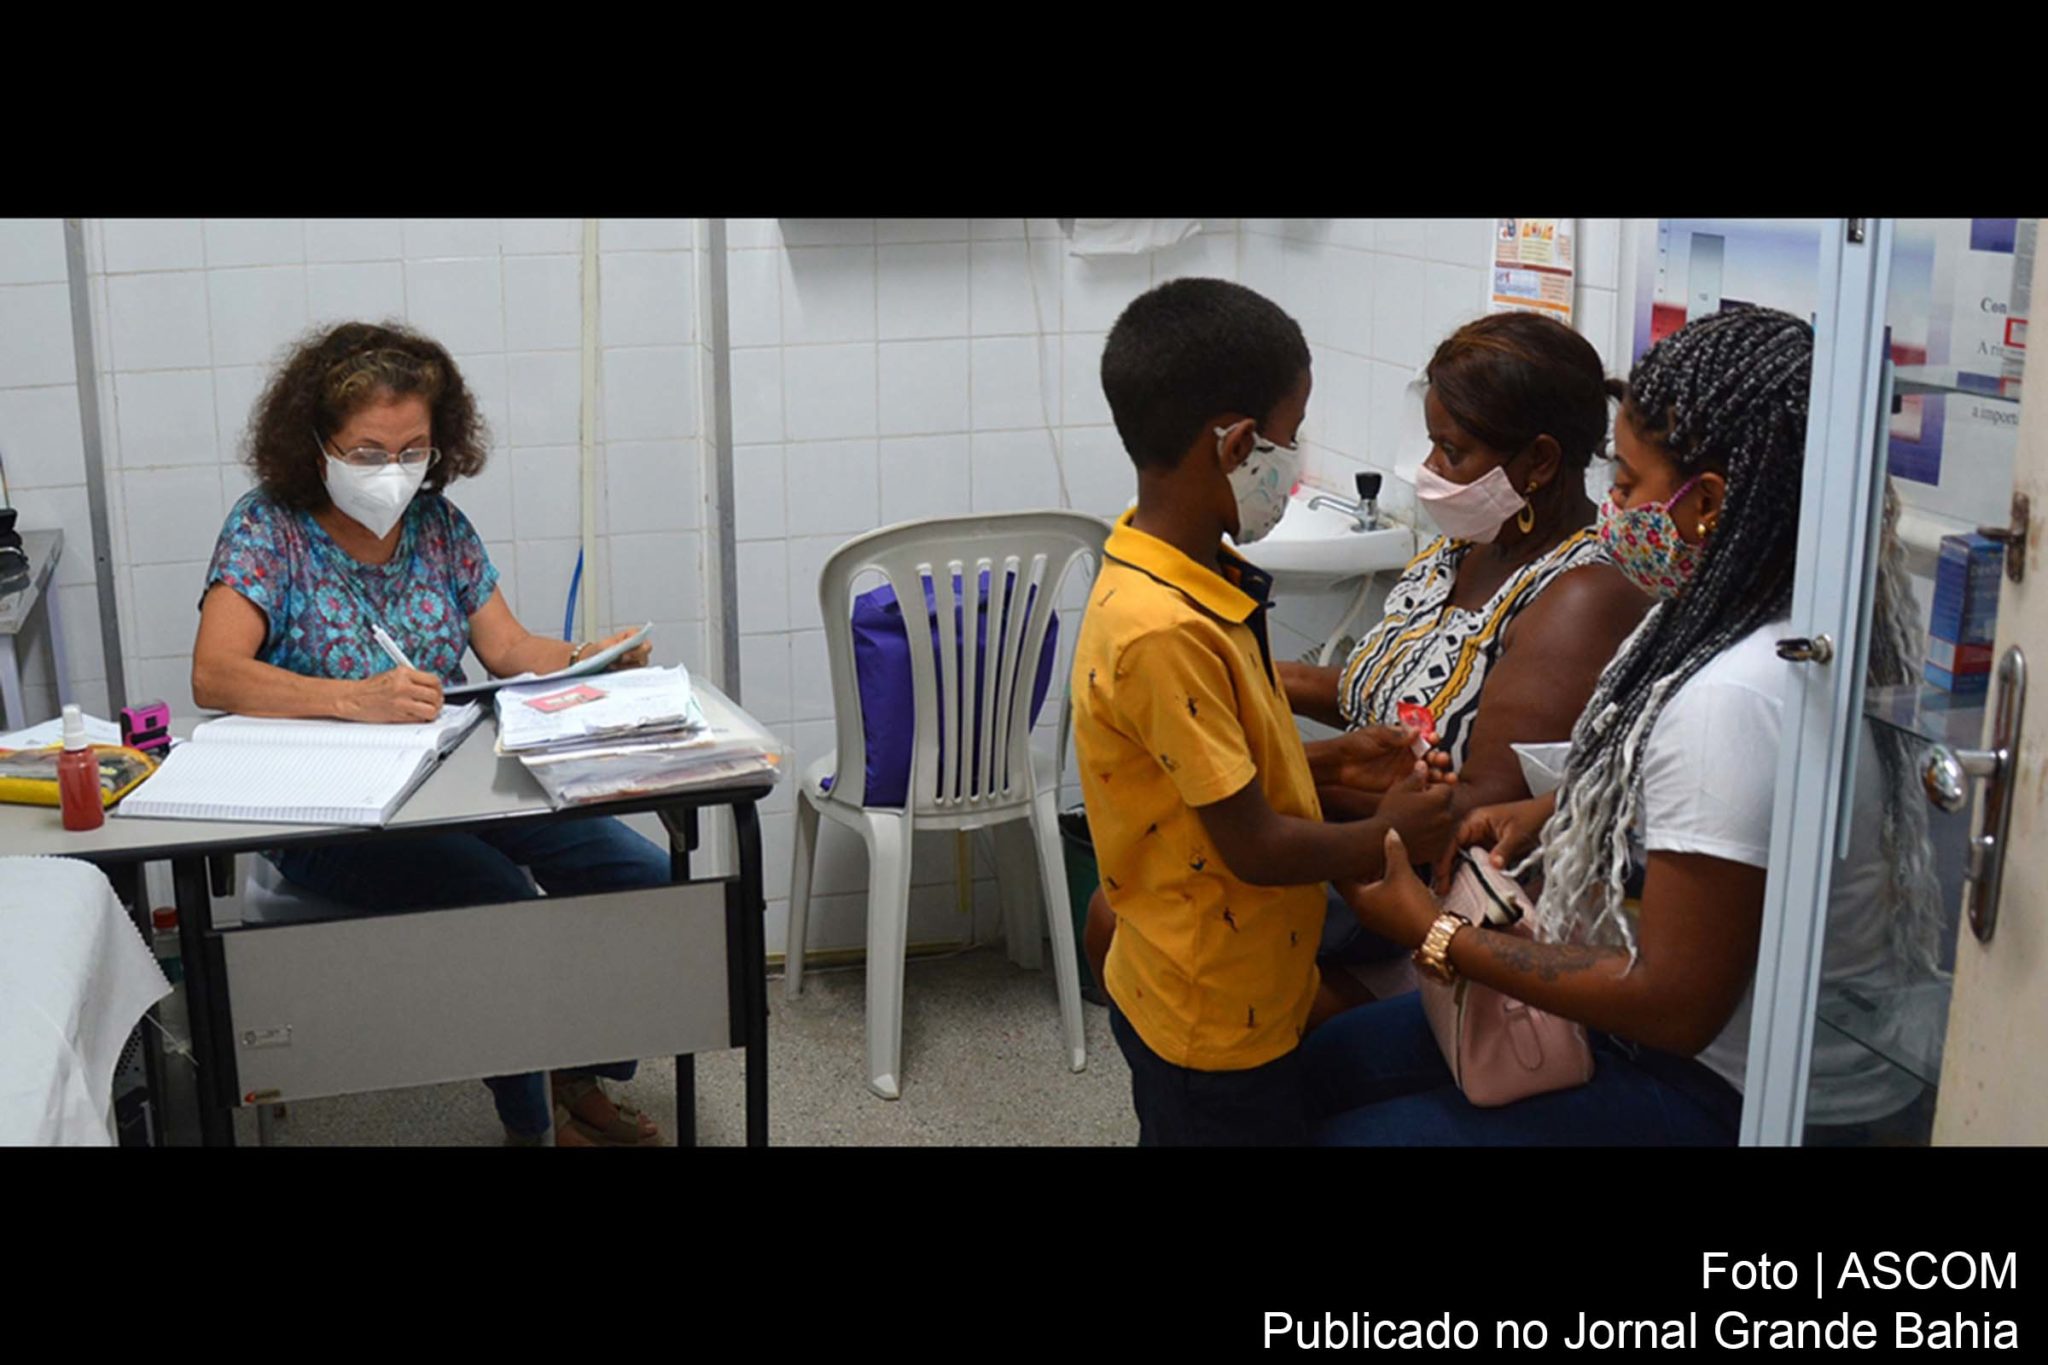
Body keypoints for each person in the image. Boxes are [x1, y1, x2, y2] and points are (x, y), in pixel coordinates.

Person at [1304, 305, 1943, 1145]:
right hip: (1668, 1033)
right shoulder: (1747, 626)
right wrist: (1557, 811)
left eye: (1629, 486)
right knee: (1326, 1065)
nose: (1612, 513)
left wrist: (1434, 931)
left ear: (1706, 503)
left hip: (1727, 1086)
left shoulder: (1735, 696)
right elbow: (1715, 822)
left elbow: (1672, 1005)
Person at [1085, 313, 1650, 1015]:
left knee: (1156, 931)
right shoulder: (1471, 545)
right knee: (1120, 914)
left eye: (1452, 451)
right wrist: (1229, 679)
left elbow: (1476, 814)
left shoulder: (1580, 596)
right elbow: (1371, 689)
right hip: (1372, 833)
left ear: (1538, 462)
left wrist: (1295, 791)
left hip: (1430, 894)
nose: (1430, 471)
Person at [190, 320, 668, 1148]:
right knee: (500, 903)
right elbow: (215, 674)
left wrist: (590, 656)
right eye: (368, 452)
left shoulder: (438, 525)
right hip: (332, 808)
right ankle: (531, 1125)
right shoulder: (267, 529)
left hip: (457, 772)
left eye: (413, 451)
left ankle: (574, 1070)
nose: (394, 471)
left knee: (643, 876)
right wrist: (352, 699)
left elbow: (508, 648)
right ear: (315, 443)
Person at [1072, 278, 1456, 1146]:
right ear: (1239, 444)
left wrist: (1335, 758)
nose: (1297, 459)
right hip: (1209, 1017)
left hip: (1223, 984)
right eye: (1294, 434)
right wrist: (1392, 832)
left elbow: (1203, 775)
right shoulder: (1164, 629)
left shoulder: (1183, 571)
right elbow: (1252, 844)